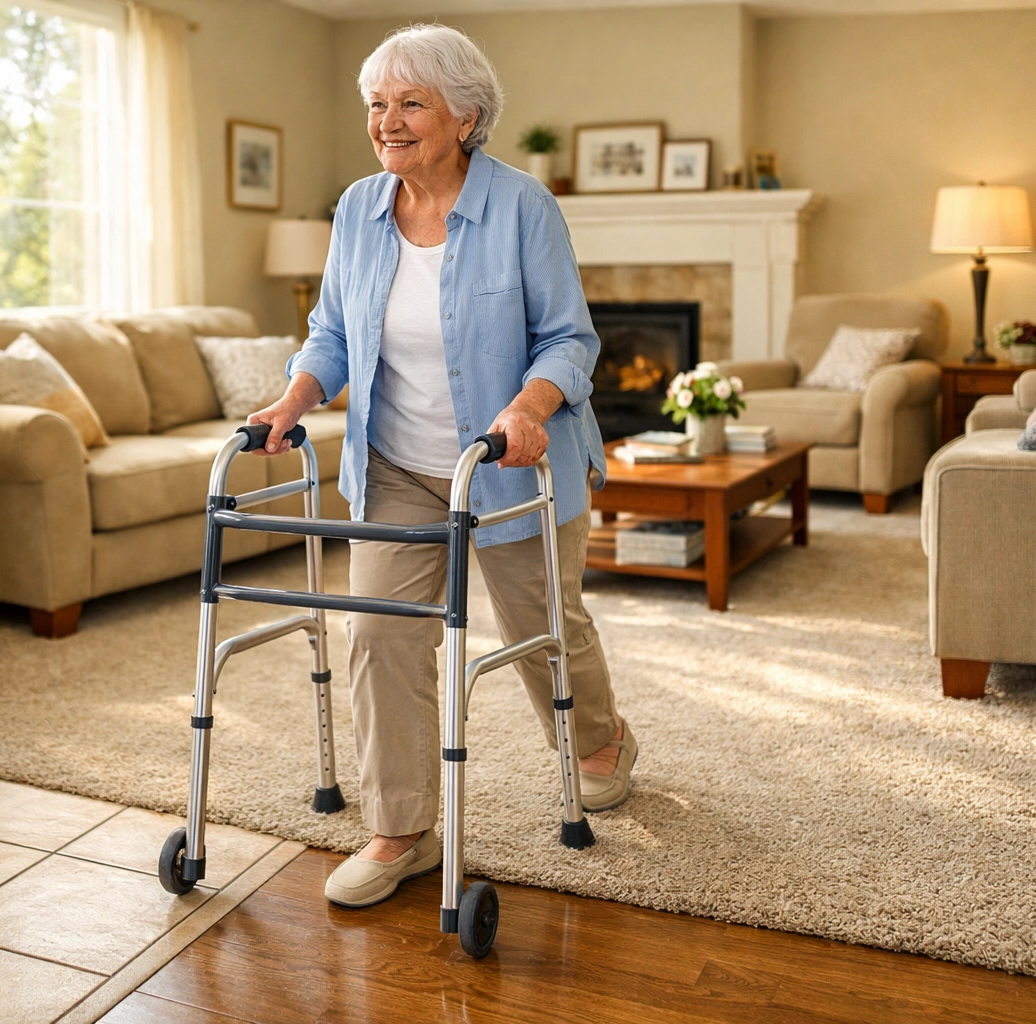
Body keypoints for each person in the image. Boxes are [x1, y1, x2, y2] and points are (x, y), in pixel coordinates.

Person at [248, 24, 637, 909]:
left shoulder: (522, 206)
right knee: (379, 635)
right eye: (377, 104)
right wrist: (294, 399)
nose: (388, 122)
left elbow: (569, 338)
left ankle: (601, 742)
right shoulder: (358, 207)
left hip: (506, 461)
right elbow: (334, 332)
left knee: (543, 622)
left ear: (466, 115)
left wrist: (527, 410)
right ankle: (402, 828)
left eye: (410, 102)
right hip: (396, 463)